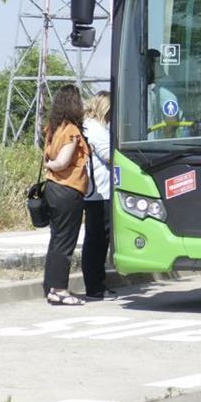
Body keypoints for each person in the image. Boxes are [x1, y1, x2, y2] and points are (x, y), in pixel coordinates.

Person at [42, 85, 90, 306]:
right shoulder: (71, 130)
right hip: (68, 189)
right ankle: (60, 289)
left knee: (55, 239)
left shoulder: (52, 129)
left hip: (52, 189)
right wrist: (52, 165)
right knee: (65, 241)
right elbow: (63, 161)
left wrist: (48, 165)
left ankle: (50, 286)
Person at [82, 91, 115, 300]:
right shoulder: (96, 129)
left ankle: (96, 282)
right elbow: (109, 155)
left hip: (96, 191)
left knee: (97, 238)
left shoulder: (91, 126)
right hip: (99, 192)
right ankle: (94, 285)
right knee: (97, 239)